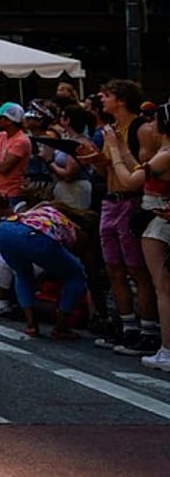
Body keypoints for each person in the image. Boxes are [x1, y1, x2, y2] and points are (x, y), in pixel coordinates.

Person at [77, 79, 160, 356]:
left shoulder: (141, 129)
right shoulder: (110, 130)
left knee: (137, 269)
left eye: (107, 94)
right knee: (114, 267)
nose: (101, 98)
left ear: (122, 99)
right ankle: (127, 327)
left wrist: (112, 149)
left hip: (130, 202)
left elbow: (139, 172)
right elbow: (108, 171)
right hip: (110, 201)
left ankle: (148, 330)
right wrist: (96, 159)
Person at [101, 103, 170, 371]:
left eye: (153, 120)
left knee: (162, 287)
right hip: (157, 216)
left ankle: (166, 349)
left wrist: (115, 150)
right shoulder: (161, 154)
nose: (148, 124)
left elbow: (130, 181)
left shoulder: (165, 154)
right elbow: (140, 170)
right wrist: (124, 148)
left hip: (157, 221)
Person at [0, 202, 96, 340]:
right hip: (34, 235)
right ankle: (61, 327)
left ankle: (31, 325)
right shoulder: (74, 229)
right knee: (76, 274)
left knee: (23, 274)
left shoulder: (44, 210)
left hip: (4, 230)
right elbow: (76, 256)